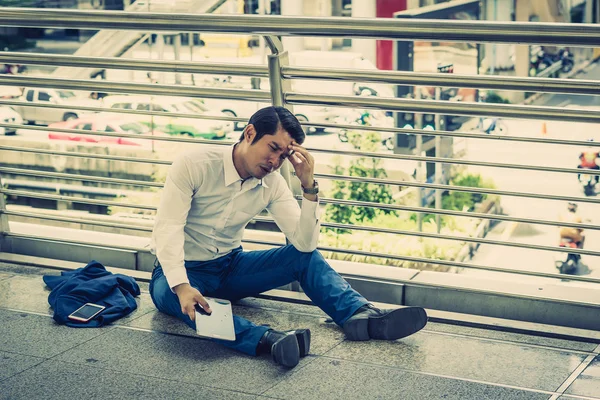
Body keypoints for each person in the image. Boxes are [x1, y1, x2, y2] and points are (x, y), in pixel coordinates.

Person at [150, 106, 428, 368]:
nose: (275, 161)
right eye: (273, 148)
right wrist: (182, 285)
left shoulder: (273, 183)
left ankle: (359, 316)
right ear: (250, 134)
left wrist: (308, 186)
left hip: (230, 268)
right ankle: (268, 340)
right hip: (182, 272)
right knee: (176, 297)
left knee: (303, 258)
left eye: (283, 155)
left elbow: (304, 245)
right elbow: (168, 227)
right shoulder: (194, 165)